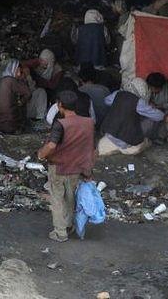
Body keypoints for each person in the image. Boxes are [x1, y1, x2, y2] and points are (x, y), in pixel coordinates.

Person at [36, 91, 96, 243]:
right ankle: (69, 226)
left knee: (57, 199)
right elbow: (92, 149)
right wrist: (88, 169)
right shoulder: (88, 123)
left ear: (59, 105)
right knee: (70, 198)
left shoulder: (61, 124)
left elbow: (51, 145)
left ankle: (60, 232)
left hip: (59, 167)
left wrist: (41, 154)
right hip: (77, 167)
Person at [98, 78, 162, 155]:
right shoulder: (138, 102)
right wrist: (152, 108)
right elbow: (159, 116)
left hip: (109, 134)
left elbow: (106, 101)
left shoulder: (117, 94)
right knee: (150, 120)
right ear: (142, 89)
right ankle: (150, 140)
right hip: (128, 141)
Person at [22, 49, 64, 122]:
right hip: (35, 86)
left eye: (43, 61)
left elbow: (52, 85)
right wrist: (28, 74)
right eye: (40, 60)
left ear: (49, 62)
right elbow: (23, 64)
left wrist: (37, 80)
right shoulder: (38, 62)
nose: (40, 62)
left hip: (49, 90)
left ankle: (40, 117)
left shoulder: (57, 70)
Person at [0, 59, 31, 134]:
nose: (19, 74)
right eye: (18, 71)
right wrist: (21, 102)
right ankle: (19, 127)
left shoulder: (0, 81)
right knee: (23, 103)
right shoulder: (11, 81)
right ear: (12, 70)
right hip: (9, 126)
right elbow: (28, 93)